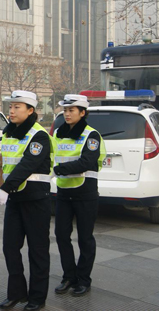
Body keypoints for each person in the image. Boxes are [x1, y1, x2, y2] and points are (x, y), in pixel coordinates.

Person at [0, 90, 53, 311]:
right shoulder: (9, 133)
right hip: (15, 199)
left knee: (37, 250)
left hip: (35, 199)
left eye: (17, 107)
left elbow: (27, 164)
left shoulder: (39, 136)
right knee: (10, 247)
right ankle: (17, 293)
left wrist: (5, 188)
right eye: (10, 106)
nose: (11, 111)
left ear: (30, 111)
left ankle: (37, 298)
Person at [52, 94, 106, 297]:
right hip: (64, 192)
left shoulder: (91, 135)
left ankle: (84, 280)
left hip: (85, 193)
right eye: (65, 110)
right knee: (61, 236)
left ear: (82, 113)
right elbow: (51, 156)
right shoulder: (58, 133)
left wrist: (58, 170)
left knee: (85, 238)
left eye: (71, 110)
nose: (66, 114)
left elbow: (87, 162)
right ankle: (69, 276)